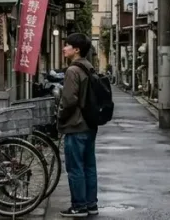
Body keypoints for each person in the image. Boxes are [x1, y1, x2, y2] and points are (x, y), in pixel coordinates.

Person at [58, 33, 99, 217]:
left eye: (67, 45)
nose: (64, 48)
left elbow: (68, 100)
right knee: (89, 166)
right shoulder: (89, 67)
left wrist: (60, 118)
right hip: (90, 124)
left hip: (76, 125)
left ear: (76, 50)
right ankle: (91, 204)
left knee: (75, 168)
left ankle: (79, 206)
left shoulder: (73, 70)